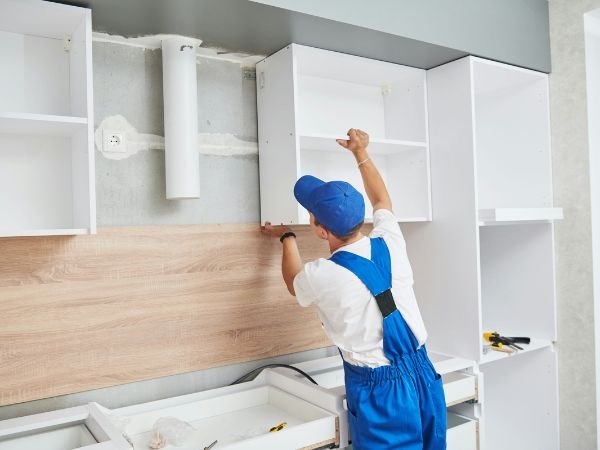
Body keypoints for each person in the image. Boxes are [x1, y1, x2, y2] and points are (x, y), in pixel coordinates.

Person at [262, 128, 446, 450]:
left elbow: (294, 283)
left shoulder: (325, 273)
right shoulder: (390, 239)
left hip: (382, 391)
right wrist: (360, 151)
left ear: (320, 230)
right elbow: (382, 200)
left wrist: (287, 238)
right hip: (423, 373)